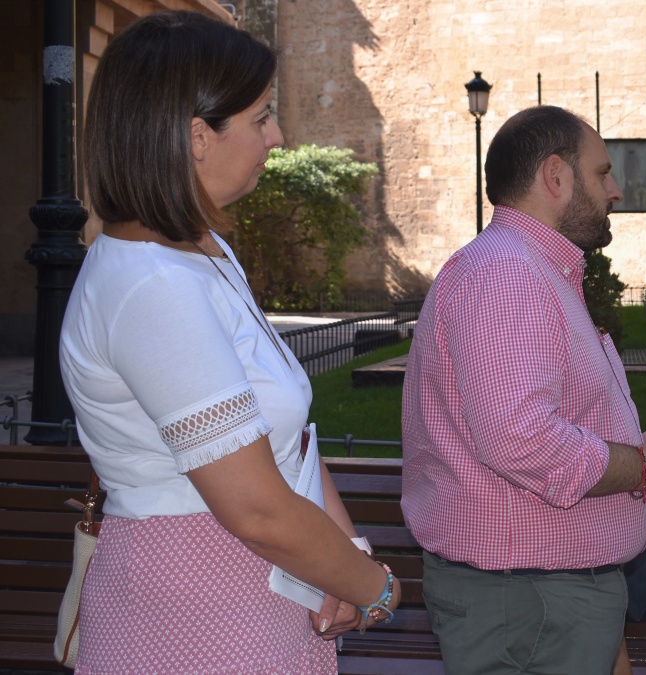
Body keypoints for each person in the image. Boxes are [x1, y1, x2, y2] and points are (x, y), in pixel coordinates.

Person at [58, 12, 399, 672]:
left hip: (251, 593)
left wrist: (343, 557)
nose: (277, 136)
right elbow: (254, 509)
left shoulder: (199, 253)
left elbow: (288, 440)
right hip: (193, 610)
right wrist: (379, 589)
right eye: (261, 117)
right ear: (196, 137)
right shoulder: (152, 286)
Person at [401, 105, 646, 674]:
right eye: (602, 172)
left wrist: (631, 448)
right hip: (531, 600)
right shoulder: (510, 273)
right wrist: (642, 468)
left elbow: (529, 421)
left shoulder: (524, 268)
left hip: (537, 597)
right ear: (556, 176)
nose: (615, 190)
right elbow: (520, 438)